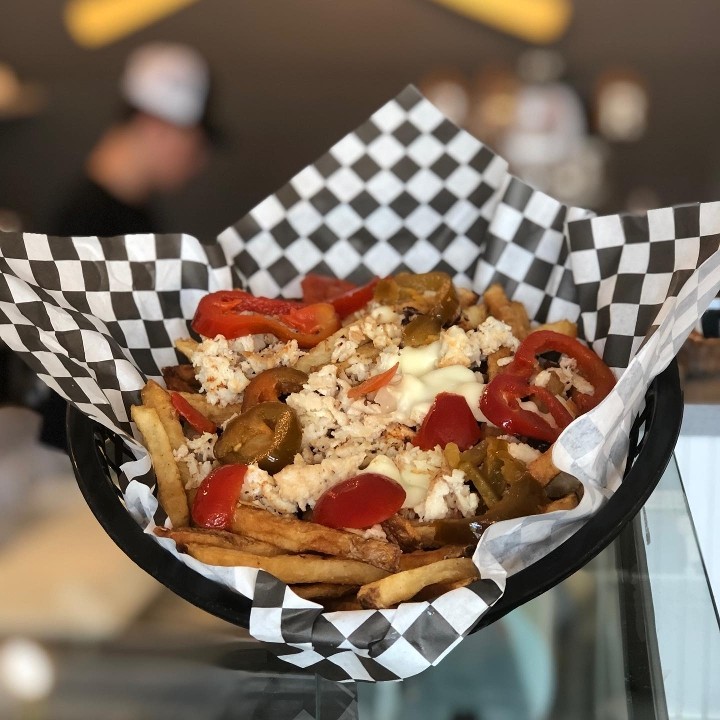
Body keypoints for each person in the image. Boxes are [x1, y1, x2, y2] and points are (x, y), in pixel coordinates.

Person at [39, 41, 218, 449]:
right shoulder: (96, 226)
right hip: (82, 455)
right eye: (196, 138)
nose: (199, 158)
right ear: (158, 125)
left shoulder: (107, 216)